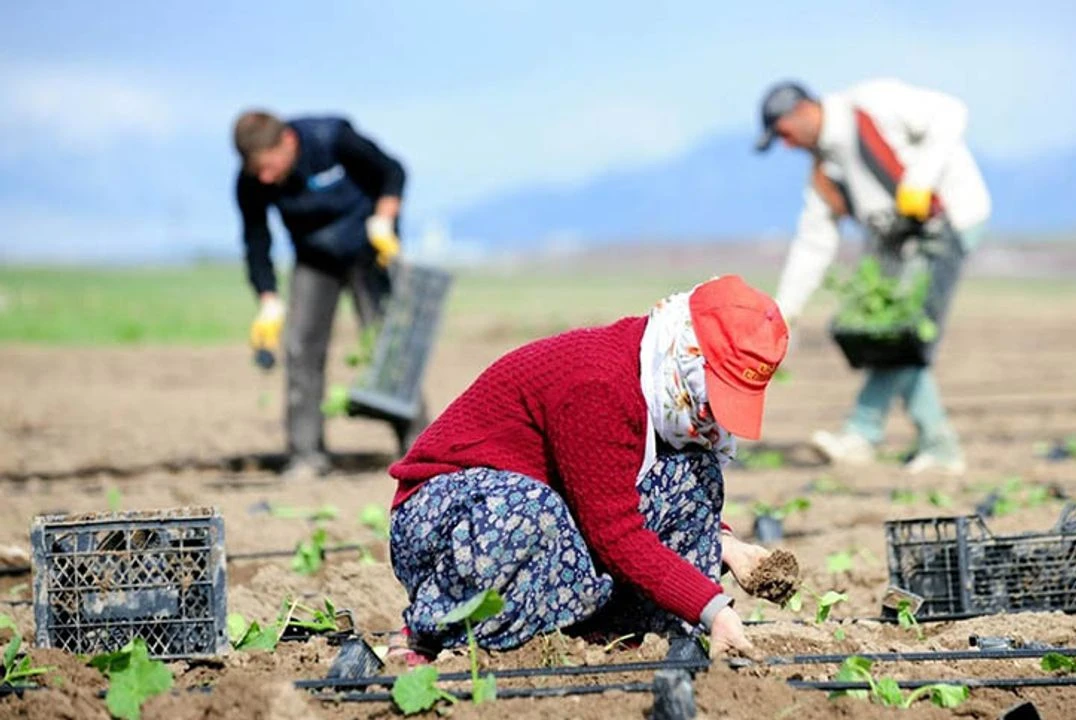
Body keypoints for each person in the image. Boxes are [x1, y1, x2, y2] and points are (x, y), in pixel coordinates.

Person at [386, 275, 788, 658]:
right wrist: (713, 608)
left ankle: (621, 633)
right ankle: (430, 632)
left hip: (548, 517)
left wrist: (726, 545)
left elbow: (649, 487)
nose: (712, 410)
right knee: (529, 507)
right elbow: (615, 532)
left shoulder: (661, 382)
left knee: (693, 473)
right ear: (690, 356)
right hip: (447, 526)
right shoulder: (600, 386)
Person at [756, 79, 991, 476]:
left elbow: (952, 112)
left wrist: (919, 179)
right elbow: (813, 244)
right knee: (888, 333)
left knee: (903, 334)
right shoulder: (824, 173)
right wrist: (785, 311)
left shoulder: (871, 103)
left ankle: (899, 441)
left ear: (802, 112)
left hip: (949, 221)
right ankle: (882, 437)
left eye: (784, 134)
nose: (787, 146)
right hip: (901, 243)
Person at [233, 110, 427, 477]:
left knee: (391, 346)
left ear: (288, 141)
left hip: (369, 248)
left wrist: (385, 219)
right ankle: (306, 454)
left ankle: (417, 447)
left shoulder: (332, 138)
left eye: (270, 166)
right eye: (257, 170)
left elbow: (393, 171)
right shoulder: (251, 181)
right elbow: (256, 240)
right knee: (300, 348)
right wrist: (268, 300)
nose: (265, 177)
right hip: (314, 258)